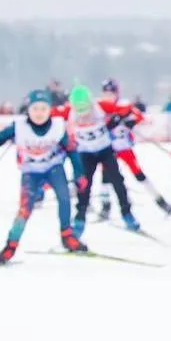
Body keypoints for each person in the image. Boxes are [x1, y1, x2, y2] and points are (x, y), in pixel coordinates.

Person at [0, 89, 88, 264]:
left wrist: (79, 173)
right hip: (31, 171)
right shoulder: (19, 126)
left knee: (64, 198)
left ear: (50, 110)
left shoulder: (57, 126)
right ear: (28, 110)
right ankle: (11, 245)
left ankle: (67, 236)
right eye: (35, 109)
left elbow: (71, 150)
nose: (39, 113)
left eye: (43, 109)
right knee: (25, 209)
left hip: (53, 168)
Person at [53, 84, 138, 235]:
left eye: (85, 107)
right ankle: (80, 219)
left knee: (117, 181)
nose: (83, 112)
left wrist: (120, 118)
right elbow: (50, 114)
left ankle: (127, 213)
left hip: (104, 150)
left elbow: (127, 108)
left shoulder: (100, 105)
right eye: (78, 108)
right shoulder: (68, 111)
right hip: (85, 153)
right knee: (84, 185)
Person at [98, 79, 171, 214]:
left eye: (111, 92)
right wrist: (110, 122)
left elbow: (139, 117)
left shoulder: (124, 105)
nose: (109, 95)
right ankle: (105, 205)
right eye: (106, 93)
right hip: (108, 149)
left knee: (138, 173)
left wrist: (131, 121)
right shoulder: (100, 107)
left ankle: (160, 200)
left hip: (124, 147)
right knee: (105, 176)